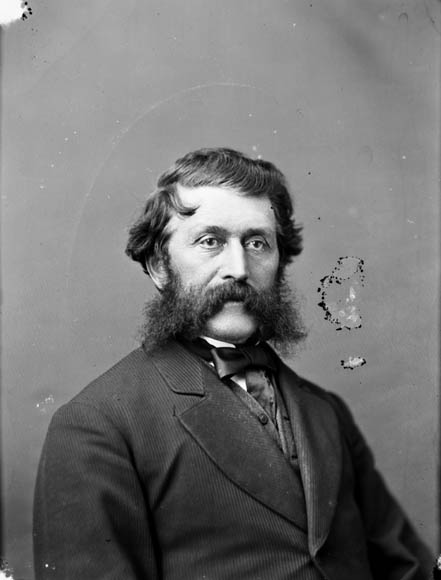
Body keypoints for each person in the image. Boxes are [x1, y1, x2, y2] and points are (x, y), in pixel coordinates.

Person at [33, 148, 432, 579]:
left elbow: (405, 568)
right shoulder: (97, 424)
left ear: (279, 262)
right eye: (211, 241)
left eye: (257, 243)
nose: (239, 269)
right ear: (159, 266)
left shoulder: (326, 412)